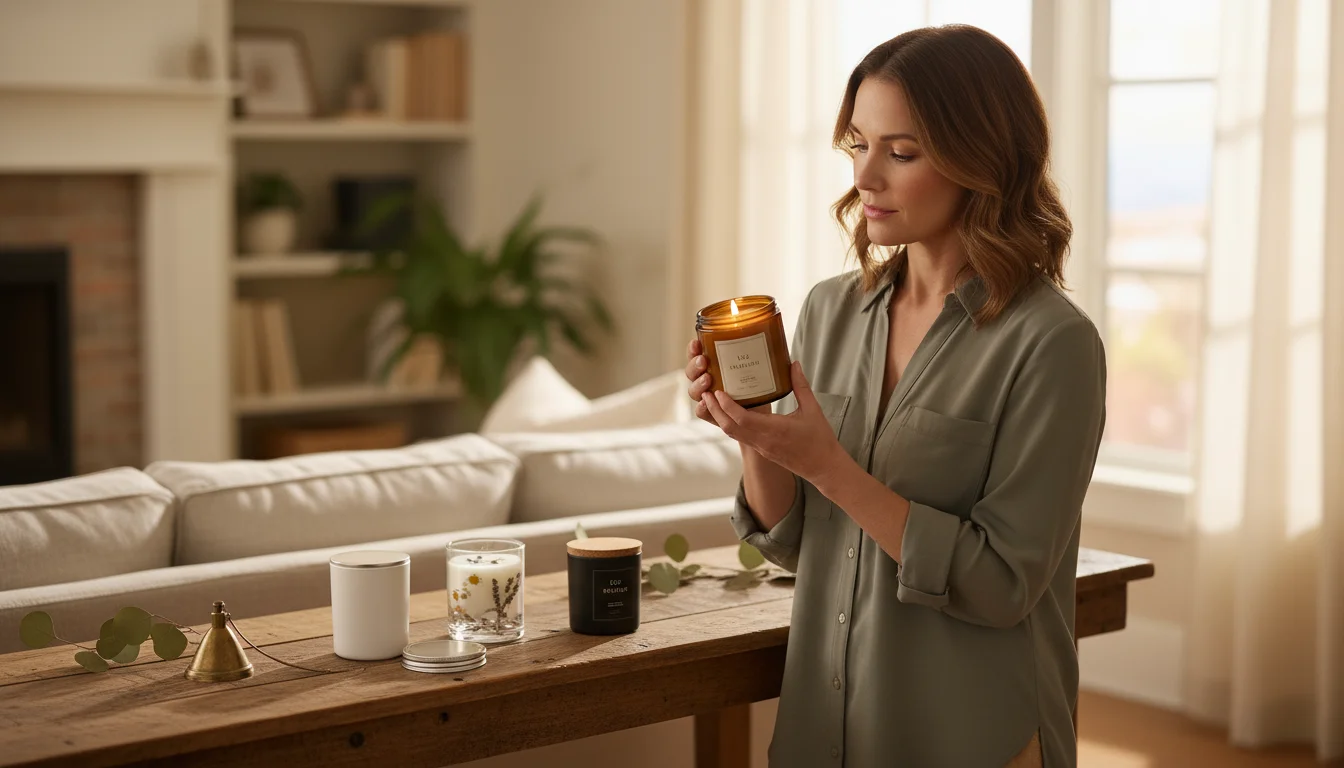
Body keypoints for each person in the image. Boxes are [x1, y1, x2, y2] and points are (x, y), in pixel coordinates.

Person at [685, 25, 1105, 768]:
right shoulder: (829, 310)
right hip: (826, 732)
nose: (864, 177)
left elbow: (1003, 583)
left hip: (972, 738)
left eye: (900, 152)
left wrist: (830, 468)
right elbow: (792, 540)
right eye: (857, 143)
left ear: (983, 160)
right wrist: (757, 437)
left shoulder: (1051, 344)